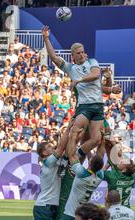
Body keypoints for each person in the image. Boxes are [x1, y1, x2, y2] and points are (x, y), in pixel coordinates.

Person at [42, 25, 105, 159]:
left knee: (96, 140)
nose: (81, 54)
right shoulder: (70, 68)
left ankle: (77, 155)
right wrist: (46, 39)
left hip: (98, 105)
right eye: (78, 53)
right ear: (73, 56)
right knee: (75, 131)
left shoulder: (92, 62)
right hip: (84, 106)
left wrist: (79, 80)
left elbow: (95, 74)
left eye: (83, 52)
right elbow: (54, 57)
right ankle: (69, 160)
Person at [51, 128, 104, 220]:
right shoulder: (99, 176)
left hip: (70, 215)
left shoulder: (81, 173)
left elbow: (72, 155)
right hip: (83, 218)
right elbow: (100, 156)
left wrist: (73, 137)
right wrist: (102, 140)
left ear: (89, 164)